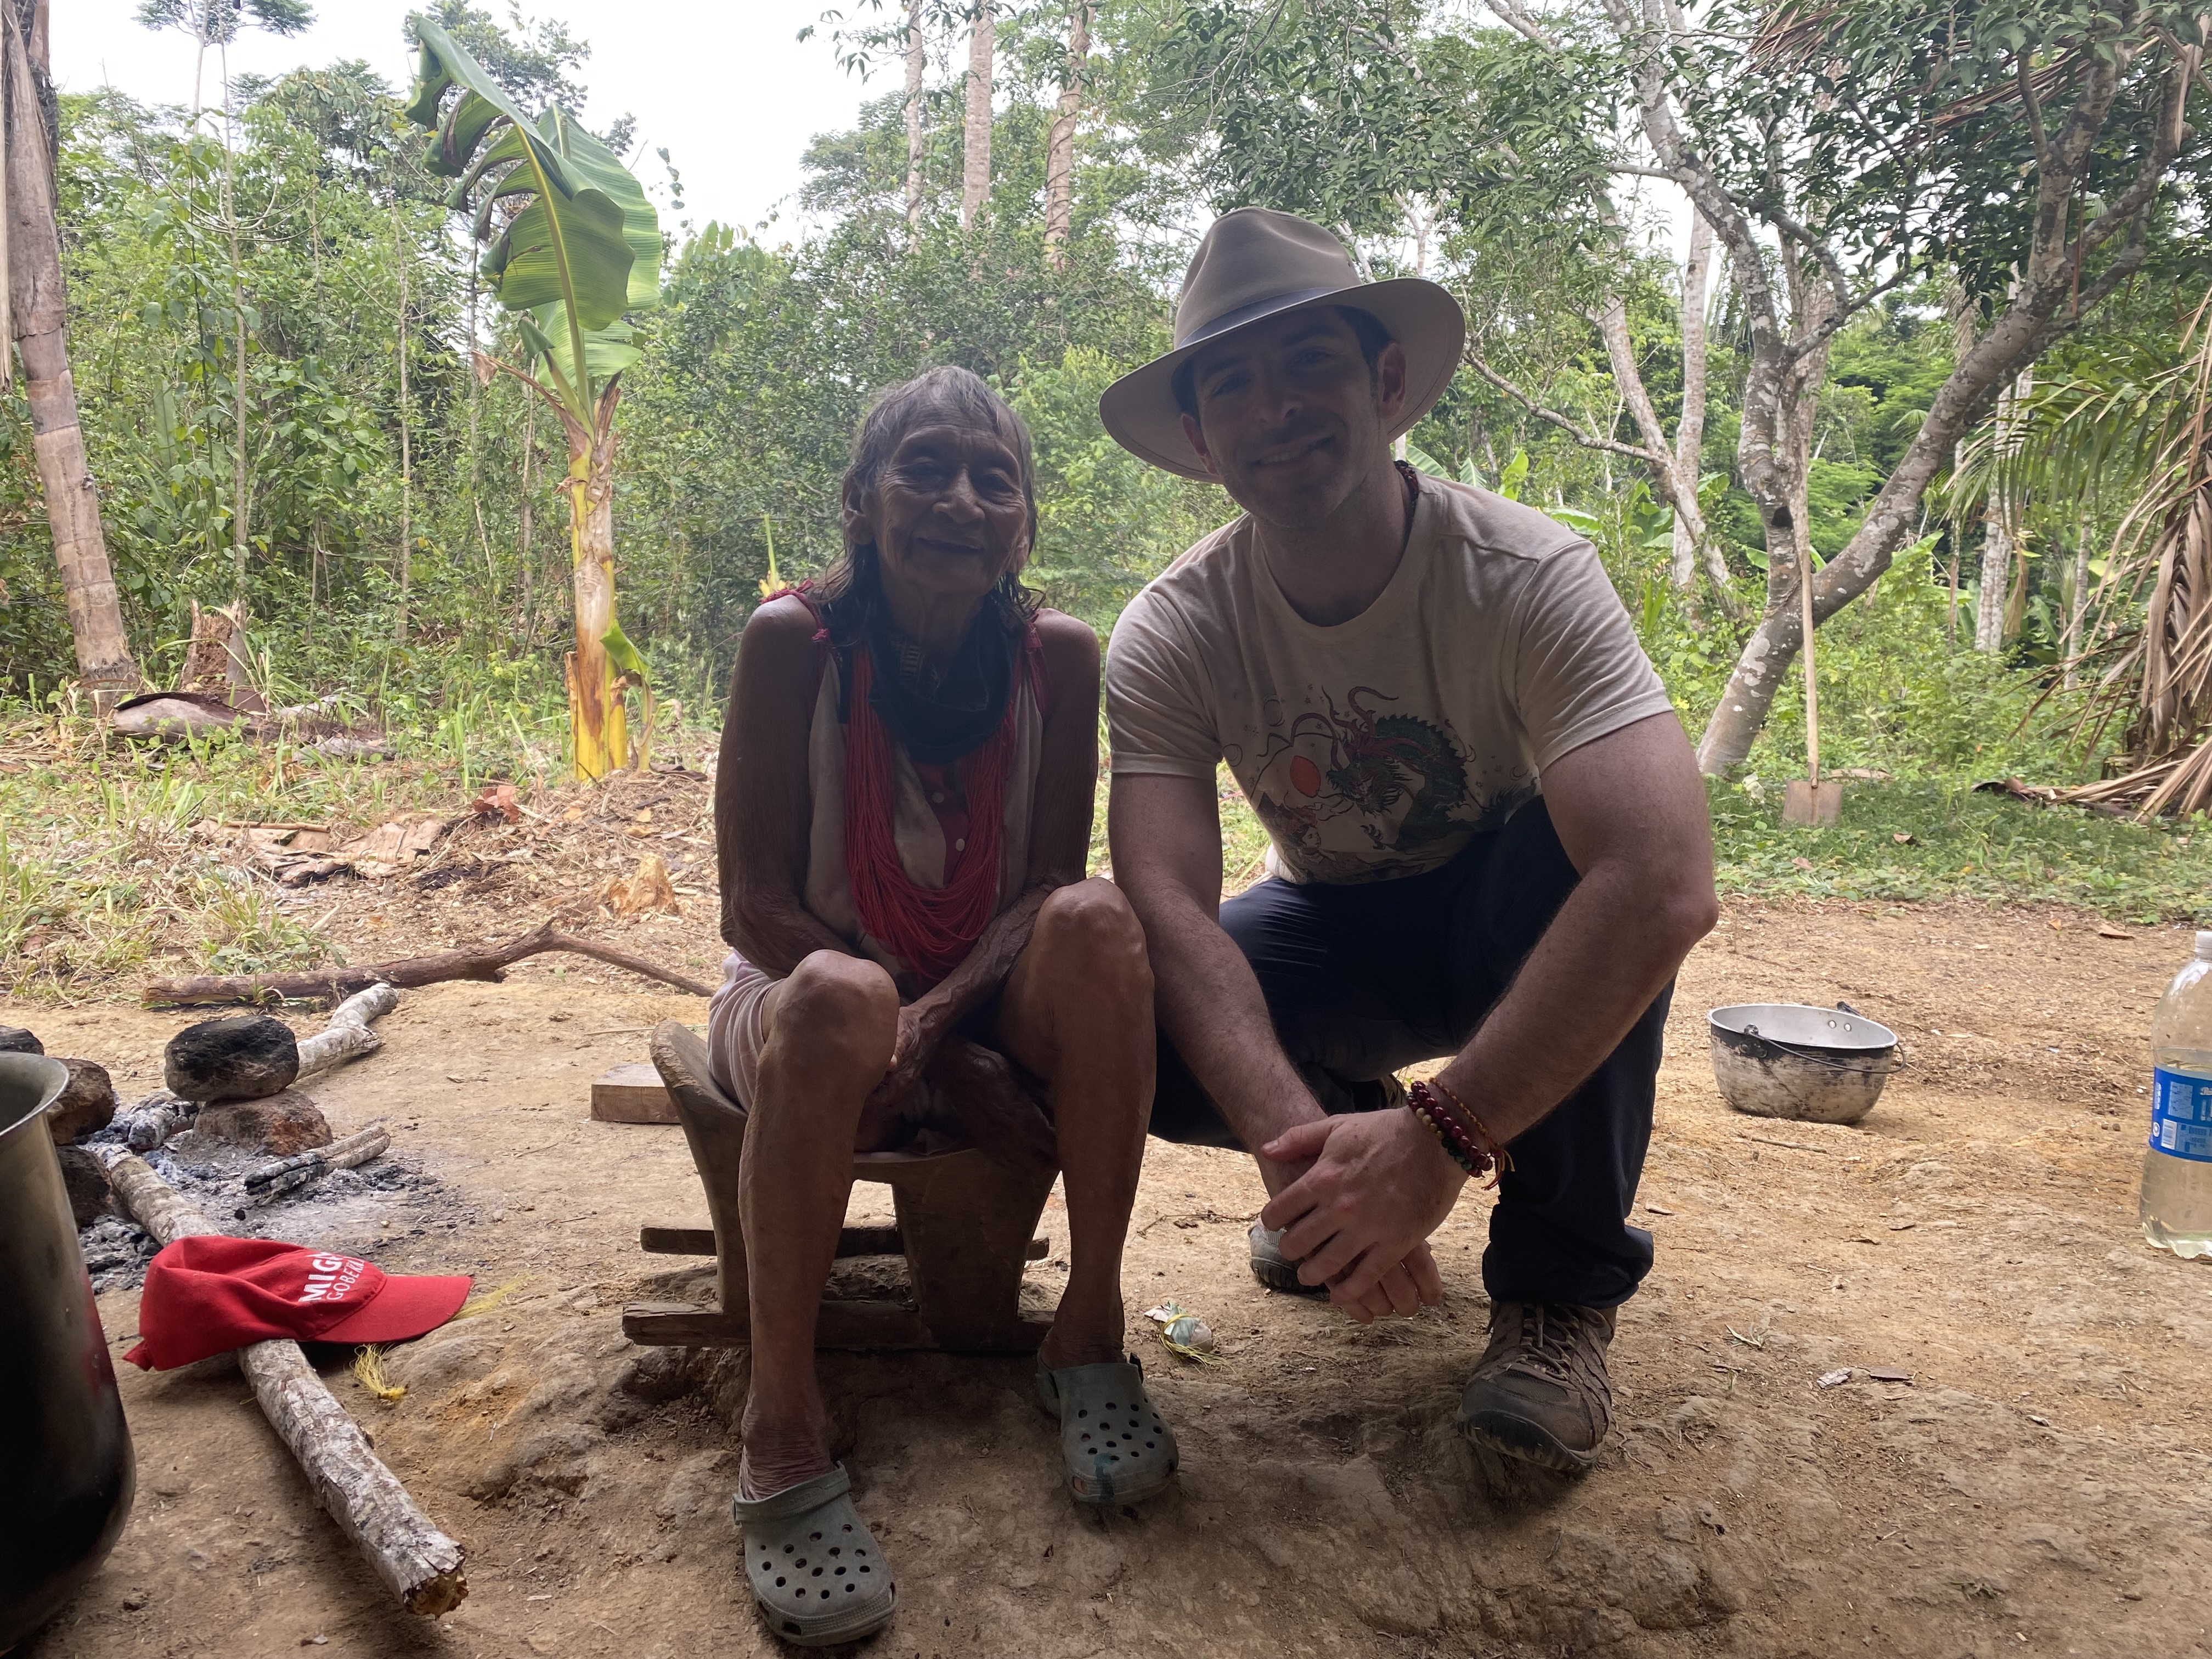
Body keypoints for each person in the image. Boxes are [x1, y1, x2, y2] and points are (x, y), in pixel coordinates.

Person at [1100, 208, 1718, 1476]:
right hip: (1337, 926)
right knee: (1132, 1008)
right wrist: (1302, 1160)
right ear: (1202, 439)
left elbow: (1665, 879)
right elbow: (1162, 897)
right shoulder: (1171, 629)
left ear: (1385, 384)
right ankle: (1342, 1174)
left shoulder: (1526, 575)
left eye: (1310, 364)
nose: (1276, 410)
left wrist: (1443, 1143)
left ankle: (1556, 1297)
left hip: (1508, 916)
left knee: (1580, 865)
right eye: (1234, 384)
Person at [712, 365, 1176, 1646]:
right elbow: (752, 903)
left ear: (1024, 519)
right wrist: (907, 1030)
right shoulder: (793, 640)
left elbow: (1039, 886)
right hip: (801, 994)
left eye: (995, 478)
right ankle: (783, 1418)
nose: (961, 500)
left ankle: (1089, 1328)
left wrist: (941, 1033)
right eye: (926, 468)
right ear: (863, 501)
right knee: (841, 994)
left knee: (1098, 924)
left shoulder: (1060, 656)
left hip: (964, 996)